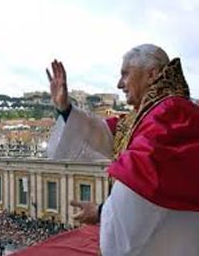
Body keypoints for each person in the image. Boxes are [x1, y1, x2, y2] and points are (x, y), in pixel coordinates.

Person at [45, 44, 199, 256]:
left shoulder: (167, 120)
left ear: (151, 74)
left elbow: (120, 232)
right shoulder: (161, 112)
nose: (119, 84)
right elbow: (107, 135)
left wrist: (100, 212)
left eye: (125, 74)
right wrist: (65, 108)